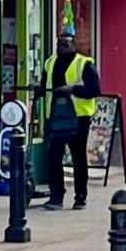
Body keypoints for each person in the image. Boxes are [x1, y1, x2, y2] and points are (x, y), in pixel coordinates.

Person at [39, 43, 101, 208]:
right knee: (53, 157)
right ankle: (56, 196)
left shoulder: (84, 64)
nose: (62, 46)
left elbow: (94, 90)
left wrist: (73, 89)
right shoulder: (50, 62)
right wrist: (37, 88)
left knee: (78, 157)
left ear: (74, 44)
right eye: (59, 42)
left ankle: (80, 197)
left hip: (78, 117)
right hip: (56, 117)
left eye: (66, 42)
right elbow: (45, 85)